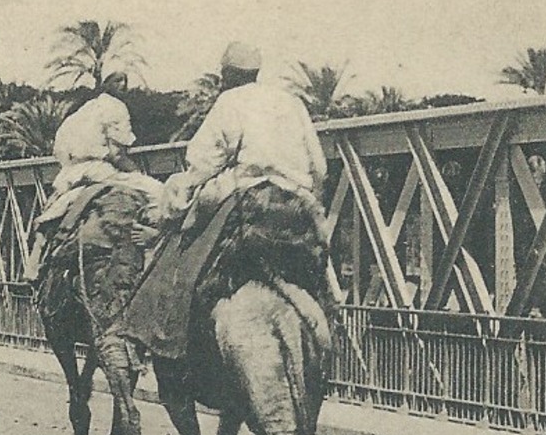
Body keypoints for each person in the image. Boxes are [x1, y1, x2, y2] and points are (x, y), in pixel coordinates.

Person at [118, 41, 332, 360]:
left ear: (228, 74)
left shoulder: (229, 101)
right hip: (295, 198)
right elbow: (320, 167)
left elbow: (203, 162)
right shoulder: (292, 102)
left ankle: (160, 337)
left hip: (247, 190)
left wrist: (178, 206)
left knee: (181, 245)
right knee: (319, 272)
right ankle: (328, 323)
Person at [24, 72, 164, 281]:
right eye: (118, 81)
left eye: (124, 81)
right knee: (158, 193)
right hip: (100, 169)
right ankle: (155, 250)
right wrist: (137, 172)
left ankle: (35, 259)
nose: (123, 86)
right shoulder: (116, 107)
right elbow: (118, 154)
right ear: (106, 84)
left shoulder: (80, 112)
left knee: (60, 202)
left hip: (69, 173)